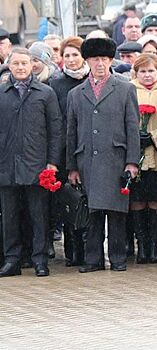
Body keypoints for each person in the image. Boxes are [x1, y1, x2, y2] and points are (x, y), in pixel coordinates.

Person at [66, 38, 141, 273]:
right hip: (87, 159)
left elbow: (132, 127)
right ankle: (93, 259)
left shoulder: (125, 88)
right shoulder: (76, 94)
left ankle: (118, 257)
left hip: (115, 158)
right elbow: (71, 132)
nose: (100, 64)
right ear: (87, 61)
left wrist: (132, 161)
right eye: (95, 59)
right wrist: (72, 166)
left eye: (105, 59)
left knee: (117, 211)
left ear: (111, 61)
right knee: (92, 212)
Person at [0, 47, 62, 278]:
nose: (21, 68)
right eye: (16, 64)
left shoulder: (45, 93)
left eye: (25, 63)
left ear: (32, 65)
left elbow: (56, 131)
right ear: (10, 66)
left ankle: (39, 260)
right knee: (10, 216)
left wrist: (52, 162)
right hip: (7, 165)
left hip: (37, 165)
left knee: (39, 215)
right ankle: (12, 259)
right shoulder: (2, 93)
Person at [49, 36, 90, 266]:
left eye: (75, 54)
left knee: (88, 201)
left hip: (89, 148)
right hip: (66, 150)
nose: (72, 60)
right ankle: (72, 251)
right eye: (67, 55)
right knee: (69, 201)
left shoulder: (92, 80)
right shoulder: (56, 84)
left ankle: (88, 250)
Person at [130, 53, 157, 264]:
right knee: (137, 200)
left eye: (151, 70)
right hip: (137, 152)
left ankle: (154, 246)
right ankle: (141, 246)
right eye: (143, 71)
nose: (147, 75)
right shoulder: (129, 90)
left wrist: (154, 137)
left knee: (155, 199)